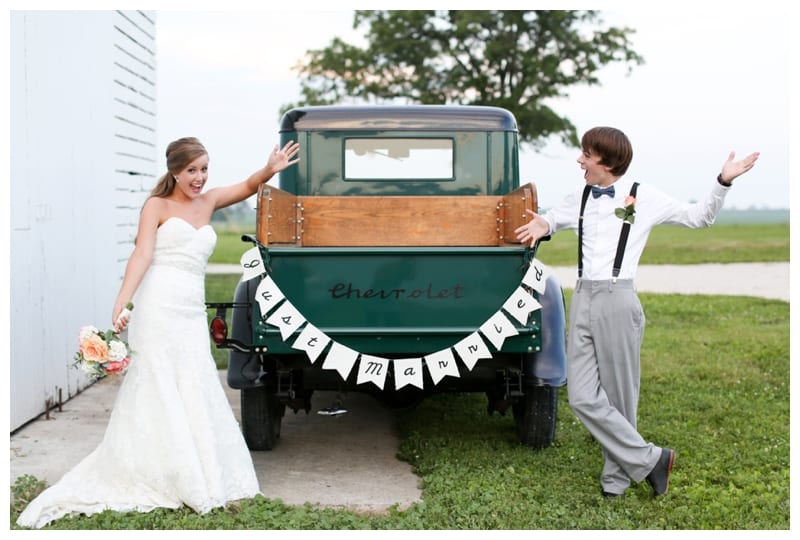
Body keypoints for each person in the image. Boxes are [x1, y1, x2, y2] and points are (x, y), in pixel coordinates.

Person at [17, 137, 300, 528]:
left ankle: (198, 467)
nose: (199, 178)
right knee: (159, 384)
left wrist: (271, 167)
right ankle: (160, 471)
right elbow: (142, 253)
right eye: (191, 171)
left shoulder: (210, 200)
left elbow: (249, 185)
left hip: (188, 309)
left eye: (204, 168)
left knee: (194, 379)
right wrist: (124, 300)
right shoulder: (157, 206)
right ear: (174, 171)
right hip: (157, 305)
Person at [515, 127, 758, 498]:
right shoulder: (579, 194)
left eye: (586, 155)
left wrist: (723, 181)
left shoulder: (643, 197)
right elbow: (552, 219)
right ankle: (651, 460)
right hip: (582, 297)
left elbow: (699, 217)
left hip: (618, 299)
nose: (579, 160)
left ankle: (615, 481)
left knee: (619, 397)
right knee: (580, 396)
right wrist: (541, 224)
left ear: (608, 162)